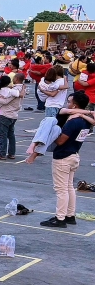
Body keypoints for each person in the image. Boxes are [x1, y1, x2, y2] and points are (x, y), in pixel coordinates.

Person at [42, 92, 92, 228]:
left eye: (69, 102)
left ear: (74, 105)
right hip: (74, 154)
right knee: (69, 187)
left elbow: (60, 141)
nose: (67, 104)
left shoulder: (72, 122)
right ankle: (70, 215)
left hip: (63, 157)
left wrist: (51, 135)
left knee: (61, 189)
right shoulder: (85, 122)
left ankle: (60, 218)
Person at [0, 73, 26, 160]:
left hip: (6, 114)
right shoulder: (20, 88)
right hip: (14, 114)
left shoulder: (14, 90)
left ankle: (2, 154)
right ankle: (11, 153)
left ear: (16, 79)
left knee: (3, 135)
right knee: (11, 135)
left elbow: (5, 101)